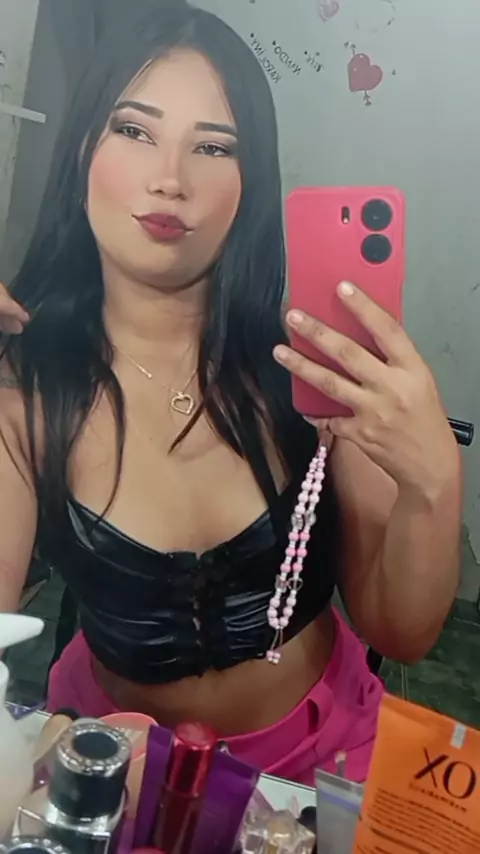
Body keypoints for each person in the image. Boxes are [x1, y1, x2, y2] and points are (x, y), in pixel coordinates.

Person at [0, 2, 461, 785]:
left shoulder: (316, 363)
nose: (170, 179)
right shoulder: (25, 391)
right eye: (134, 130)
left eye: (213, 146)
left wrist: (434, 481)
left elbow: (402, 631)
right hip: (114, 768)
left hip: (318, 765)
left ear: (251, 182)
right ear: (80, 147)